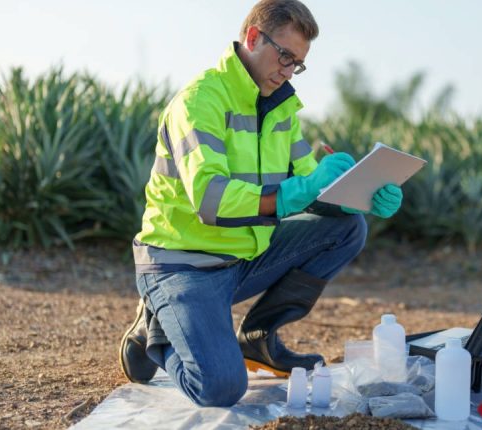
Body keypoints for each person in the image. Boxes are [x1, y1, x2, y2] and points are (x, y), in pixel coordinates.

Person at [118, 0, 403, 407]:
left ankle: (258, 339)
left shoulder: (282, 108)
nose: (289, 71)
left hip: (242, 258)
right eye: (285, 56)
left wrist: (359, 195)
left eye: (298, 63)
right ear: (252, 37)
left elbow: (314, 189)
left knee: (347, 228)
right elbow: (211, 202)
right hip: (182, 264)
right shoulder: (200, 102)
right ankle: (156, 325)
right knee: (220, 388)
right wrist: (298, 191)